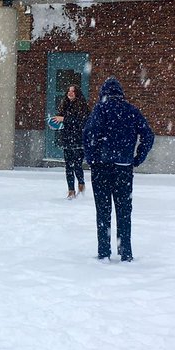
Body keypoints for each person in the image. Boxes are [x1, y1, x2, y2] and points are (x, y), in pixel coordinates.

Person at [82, 77, 154, 262]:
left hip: (101, 168)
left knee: (103, 211)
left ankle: (104, 252)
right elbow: (148, 134)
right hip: (124, 168)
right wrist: (137, 158)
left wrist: (92, 158)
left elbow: (89, 134)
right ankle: (125, 252)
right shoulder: (131, 111)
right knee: (124, 211)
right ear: (121, 94)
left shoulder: (100, 110)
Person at [52, 83, 90, 199]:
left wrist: (64, 119)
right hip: (67, 138)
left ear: (77, 93)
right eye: (69, 91)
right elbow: (61, 120)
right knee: (68, 166)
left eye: (73, 91)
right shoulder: (64, 104)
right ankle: (71, 190)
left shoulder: (82, 106)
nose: (70, 93)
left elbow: (81, 122)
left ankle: (81, 183)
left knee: (77, 165)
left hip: (78, 139)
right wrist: (55, 123)